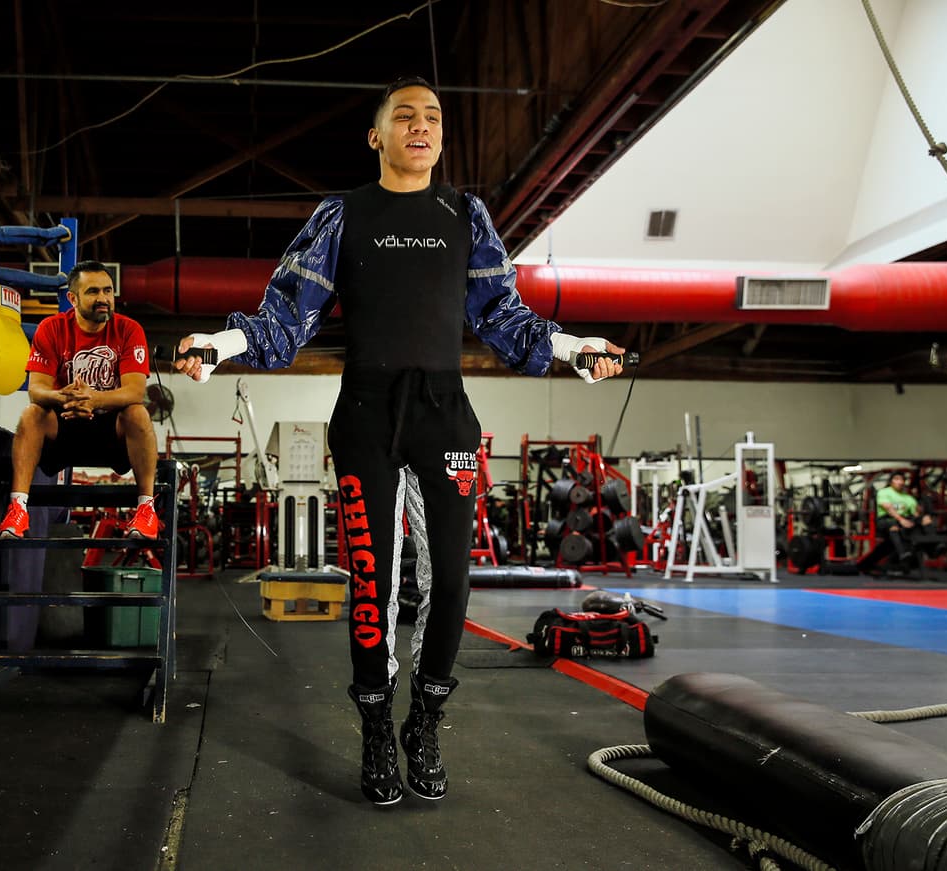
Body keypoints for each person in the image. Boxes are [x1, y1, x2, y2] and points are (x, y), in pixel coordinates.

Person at [174, 76, 625, 806]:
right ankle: (378, 723)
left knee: (449, 579)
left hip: (444, 414)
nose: (422, 126)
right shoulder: (342, 214)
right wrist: (221, 342)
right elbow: (286, 318)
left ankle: (427, 718)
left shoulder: (464, 214)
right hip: (366, 414)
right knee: (373, 587)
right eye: (405, 116)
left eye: (434, 118)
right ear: (376, 136)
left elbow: (507, 319)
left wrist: (576, 348)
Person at [0, 260, 160, 540]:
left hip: (112, 431)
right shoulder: (51, 328)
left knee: (138, 413)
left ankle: (146, 511)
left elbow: (134, 391)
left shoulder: (129, 329)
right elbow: (36, 390)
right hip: (66, 423)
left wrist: (94, 399)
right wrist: (66, 397)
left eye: (108, 291)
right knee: (32, 414)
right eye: (93, 292)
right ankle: (18, 509)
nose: (103, 299)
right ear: (72, 298)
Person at [870, 471, 935, 569]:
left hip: (903, 520)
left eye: (902, 480)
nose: (900, 482)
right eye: (897, 479)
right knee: (893, 525)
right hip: (886, 520)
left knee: (924, 520)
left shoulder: (907, 497)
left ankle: (933, 547)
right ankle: (903, 553)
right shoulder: (884, 492)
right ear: (891, 481)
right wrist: (901, 520)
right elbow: (888, 508)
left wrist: (923, 515)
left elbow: (915, 513)